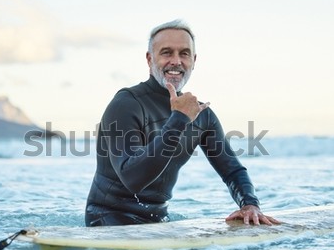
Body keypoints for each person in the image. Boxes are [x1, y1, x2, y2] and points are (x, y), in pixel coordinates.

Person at [85, 19, 280, 227]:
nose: (176, 61)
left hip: (158, 220)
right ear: (150, 59)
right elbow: (133, 179)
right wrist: (179, 119)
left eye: (184, 53)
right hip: (108, 217)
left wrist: (250, 204)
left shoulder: (202, 114)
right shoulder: (126, 104)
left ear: (194, 61)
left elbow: (232, 170)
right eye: (167, 52)